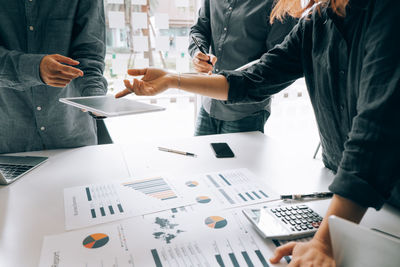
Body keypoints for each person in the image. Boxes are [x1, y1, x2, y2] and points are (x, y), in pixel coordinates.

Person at [116, 0, 400, 265]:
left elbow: (377, 129)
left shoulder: (387, 11)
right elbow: (255, 78)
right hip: (346, 203)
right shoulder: (316, 21)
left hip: (382, 203)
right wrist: (174, 80)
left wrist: (324, 244)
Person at [0, 0, 108, 153]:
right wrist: (33, 68)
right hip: (10, 141)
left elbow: (90, 51)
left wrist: (94, 97)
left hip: (72, 137)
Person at [189, 0, 296, 136]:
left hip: (246, 112)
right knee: (200, 157)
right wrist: (198, 53)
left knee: (238, 158)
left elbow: (277, 63)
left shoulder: (280, 4)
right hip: (209, 104)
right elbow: (198, 29)